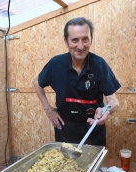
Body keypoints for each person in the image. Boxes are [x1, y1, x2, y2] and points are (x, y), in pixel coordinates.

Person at [32, 17, 121, 146]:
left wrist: (106, 111)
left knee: (94, 166)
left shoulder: (99, 65)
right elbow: (36, 82)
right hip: (65, 130)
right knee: (65, 165)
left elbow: (114, 102)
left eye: (85, 39)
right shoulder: (56, 64)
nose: (80, 46)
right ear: (66, 42)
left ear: (91, 40)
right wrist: (48, 109)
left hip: (93, 129)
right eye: (75, 40)